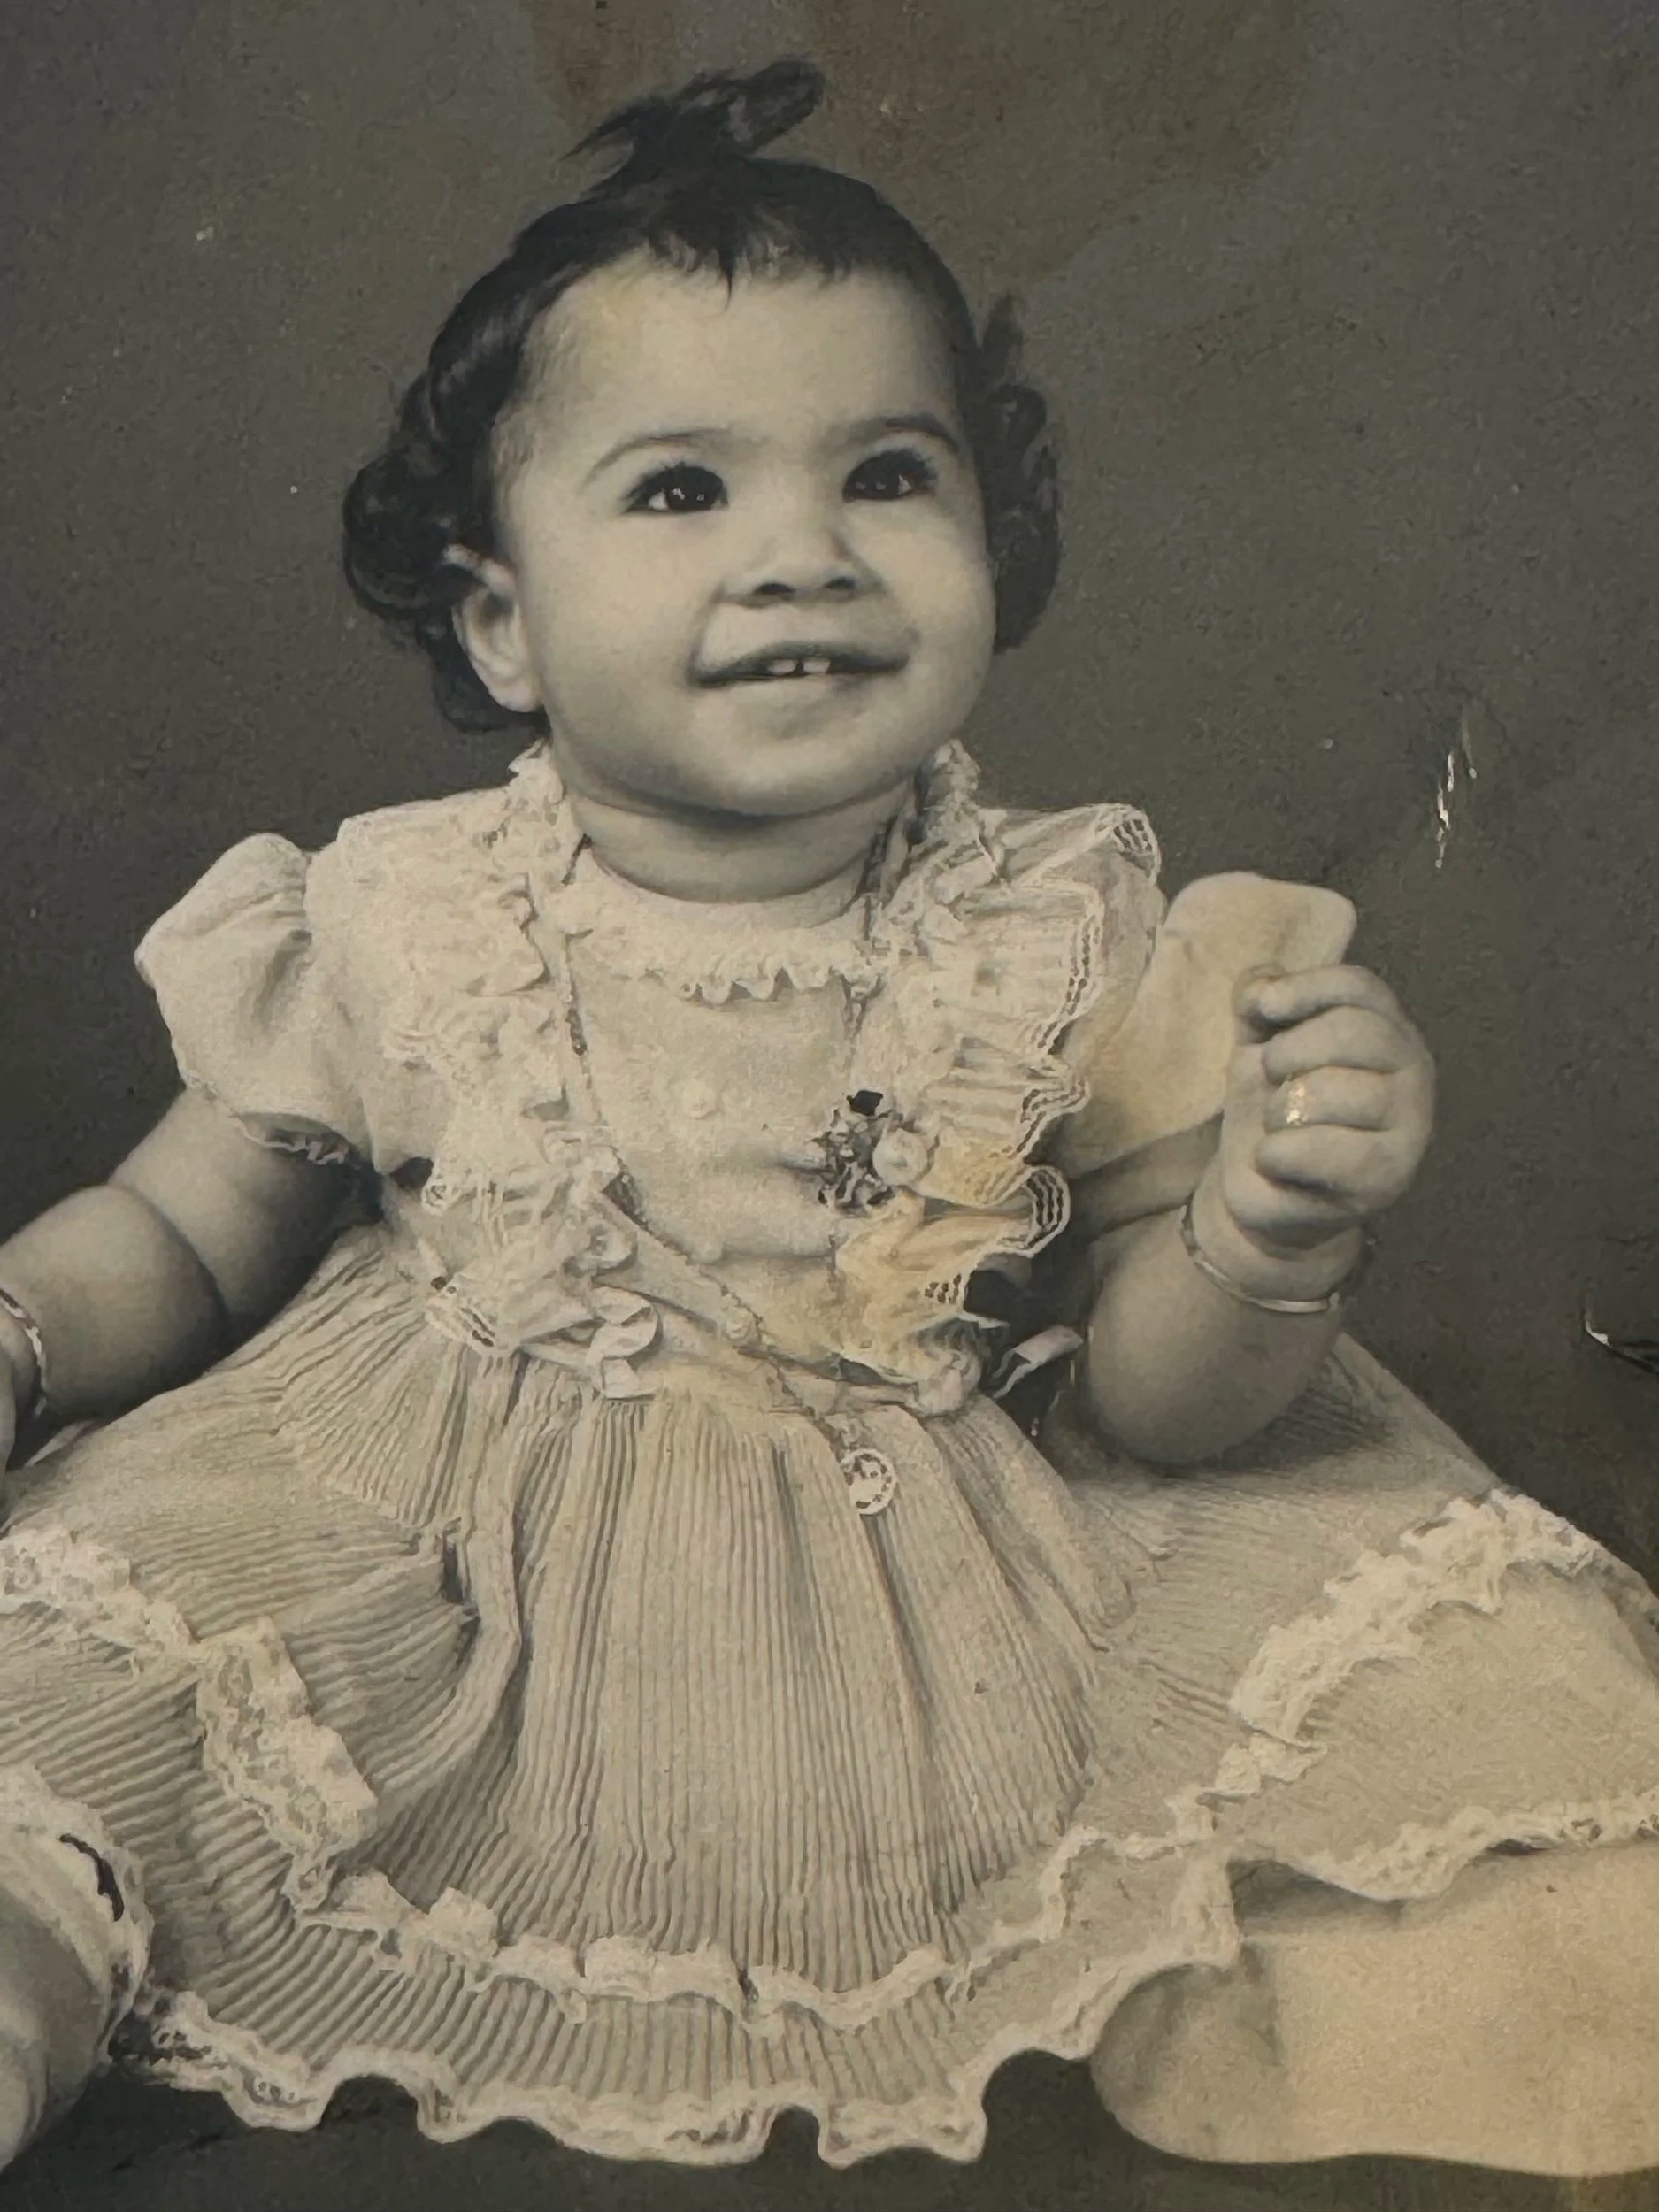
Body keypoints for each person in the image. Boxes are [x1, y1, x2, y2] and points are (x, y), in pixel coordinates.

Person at [0, 57, 1656, 2180]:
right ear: (499, 616)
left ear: (989, 529)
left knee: (1469, 1815)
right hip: (423, 1537)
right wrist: (29, 1329)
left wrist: (1265, 1228)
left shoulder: (1068, 934)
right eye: (681, 491)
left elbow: (1169, 1406)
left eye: (885, 474)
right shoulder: (397, 916)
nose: (802, 557)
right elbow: (182, 1229)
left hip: (949, 1566)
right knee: (91, 1724)